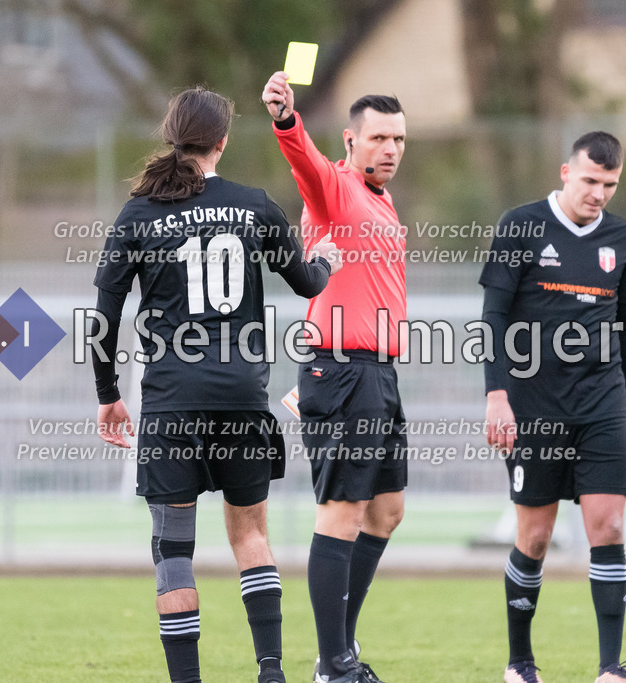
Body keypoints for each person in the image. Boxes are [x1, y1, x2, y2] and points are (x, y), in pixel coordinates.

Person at [91, 86, 341, 683]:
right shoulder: (253, 205)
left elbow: (103, 313)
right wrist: (325, 258)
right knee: (251, 534)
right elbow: (307, 283)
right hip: (240, 397)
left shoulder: (139, 212)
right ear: (223, 142)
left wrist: (108, 396)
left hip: (174, 399)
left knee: (174, 550)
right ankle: (272, 673)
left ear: (171, 137)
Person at [261, 72, 407, 683]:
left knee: (386, 512)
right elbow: (306, 164)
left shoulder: (380, 199)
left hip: (378, 373)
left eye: (399, 139)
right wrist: (286, 119)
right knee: (343, 511)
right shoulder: (338, 188)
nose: (391, 149)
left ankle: (335, 656)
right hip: (342, 371)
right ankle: (334, 664)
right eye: (378, 138)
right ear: (350, 141)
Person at [480, 132, 626, 683]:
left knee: (609, 526)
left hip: (600, 407)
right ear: (565, 172)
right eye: (591, 180)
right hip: (533, 407)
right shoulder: (520, 224)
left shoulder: (622, 237)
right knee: (537, 537)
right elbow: (494, 318)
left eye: (610, 184)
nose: (599, 193)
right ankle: (520, 662)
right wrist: (497, 395)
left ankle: (609, 669)